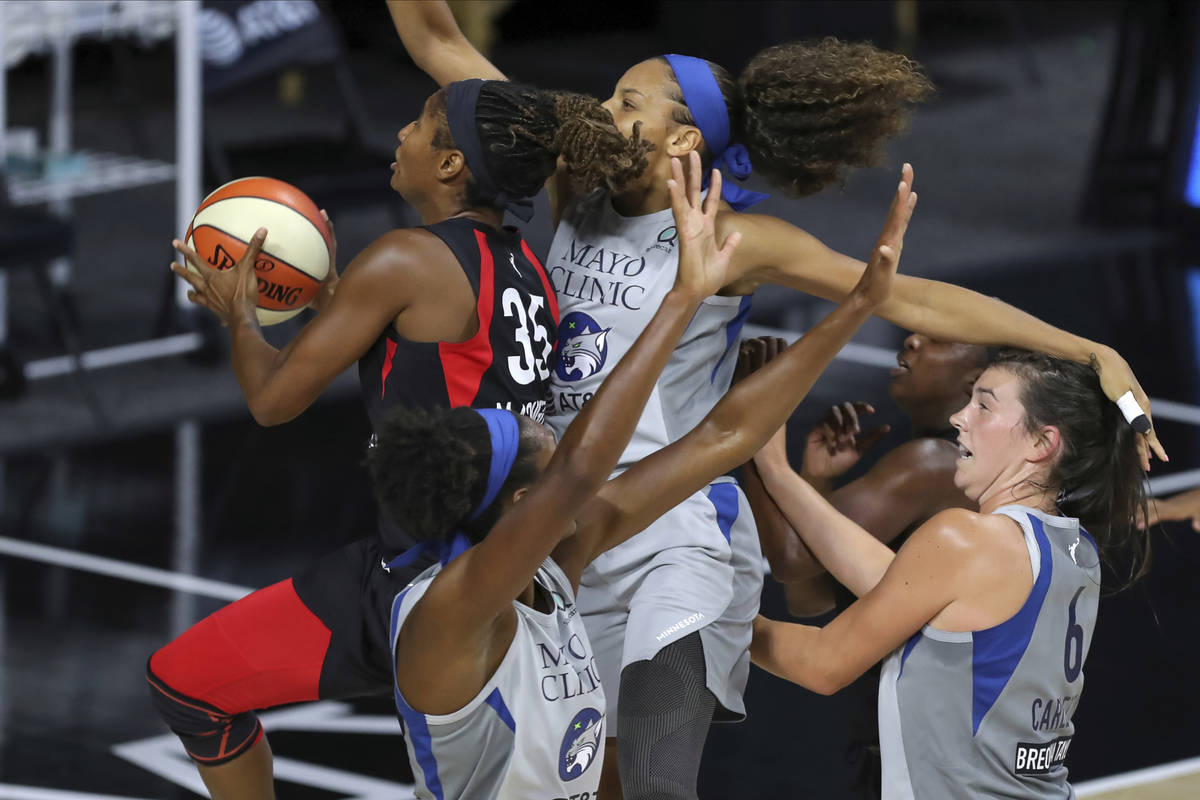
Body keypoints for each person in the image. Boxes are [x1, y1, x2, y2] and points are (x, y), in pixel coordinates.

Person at [388, 5, 1165, 797]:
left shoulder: (735, 240)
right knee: (597, 783)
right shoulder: (574, 187)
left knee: (660, 784)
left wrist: (1086, 349)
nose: (602, 113)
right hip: (568, 521)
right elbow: (438, 41)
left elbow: (916, 300)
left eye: (629, 102)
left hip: (676, 529)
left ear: (684, 138)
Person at [148, 79, 644, 798]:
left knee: (187, 686)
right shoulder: (524, 265)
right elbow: (448, 361)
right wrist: (337, 298)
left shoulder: (404, 260)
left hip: (423, 574)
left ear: (450, 165)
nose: (402, 135)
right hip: (515, 570)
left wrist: (242, 317)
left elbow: (272, 401)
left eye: (420, 124)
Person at [376, 150, 911, 799]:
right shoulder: (451, 610)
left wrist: (857, 304)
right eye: (535, 442)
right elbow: (584, 464)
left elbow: (721, 436)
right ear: (521, 502)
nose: (549, 428)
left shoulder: (554, 555)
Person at [749, 348, 1150, 798]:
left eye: (984, 405)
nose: (960, 418)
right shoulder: (1076, 551)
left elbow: (823, 664)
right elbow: (897, 584)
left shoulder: (966, 539)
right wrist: (776, 471)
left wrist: (708, 615)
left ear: (1042, 443)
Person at [738, 332, 988, 797]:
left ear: (975, 380)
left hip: (932, 763)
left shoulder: (933, 463)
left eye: (936, 339)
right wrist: (815, 481)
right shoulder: (939, 467)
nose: (911, 339)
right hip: (913, 754)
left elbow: (791, 560)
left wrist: (759, 432)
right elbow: (809, 598)